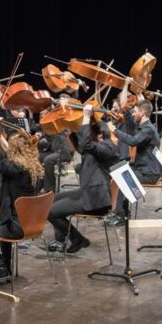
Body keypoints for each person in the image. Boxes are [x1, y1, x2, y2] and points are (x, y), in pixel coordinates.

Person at [0, 115, 44, 284]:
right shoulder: (34, 166)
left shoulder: (13, 169)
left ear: (15, 152)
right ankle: (6, 268)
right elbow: (11, 152)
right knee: (0, 223)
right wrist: (0, 135)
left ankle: (0, 267)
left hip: (17, 227)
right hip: (33, 224)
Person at [45, 105, 120, 253]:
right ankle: (61, 240)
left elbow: (86, 144)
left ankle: (78, 239)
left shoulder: (108, 147)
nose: (88, 137)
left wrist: (86, 117)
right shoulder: (100, 146)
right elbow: (82, 148)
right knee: (52, 199)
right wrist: (71, 127)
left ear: (99, 135)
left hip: (97, 200)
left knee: (49, 212)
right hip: (90, 192)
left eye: (91, 134)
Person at [107, 98, 162, 225]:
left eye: (135, 111)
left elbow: (133, 141)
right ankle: (119, 211)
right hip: (142, 169)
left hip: (149, 173)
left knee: (123, 178)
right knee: (117, 170)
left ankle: (121, 216)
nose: (133, 114)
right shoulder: (143, 127)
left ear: (142, 112)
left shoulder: (148, 129)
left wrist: (115, 130)